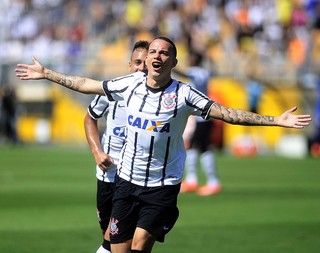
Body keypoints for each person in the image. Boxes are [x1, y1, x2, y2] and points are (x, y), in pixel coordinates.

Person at [16, 36, 312, 253]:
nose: (157, 56)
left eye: (164, 52)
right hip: (126, 183)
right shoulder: (127, 84)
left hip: (162, 186)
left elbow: (229, 114)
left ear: (173, 62)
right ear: (145, 60)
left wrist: (276, 119)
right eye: (153, 51)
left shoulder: (184, 95)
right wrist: (47, 74)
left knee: (140, 244)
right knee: (118, 249)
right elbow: (85, 84)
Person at [84, 40, 149, 253]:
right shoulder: (114, 89)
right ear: (130, 65)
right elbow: (90, 118)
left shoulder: (160, 98)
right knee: (112, 239)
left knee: (118, 238)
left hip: (134, 178)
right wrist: (97, 151)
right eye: (137, 62)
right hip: (107, 174)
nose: (142, 68)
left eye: (146, 63)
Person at [174, 50, 221, 196]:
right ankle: (192, 180)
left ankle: (213, 182)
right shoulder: (204, 72)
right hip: (201, 117)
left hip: (203, 117)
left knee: (203, 148)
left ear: (196, 59)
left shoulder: (197, 71)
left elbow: (185, 74)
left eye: (191, 57)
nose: (189, 59)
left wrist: (169, 65)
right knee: (195, 147)